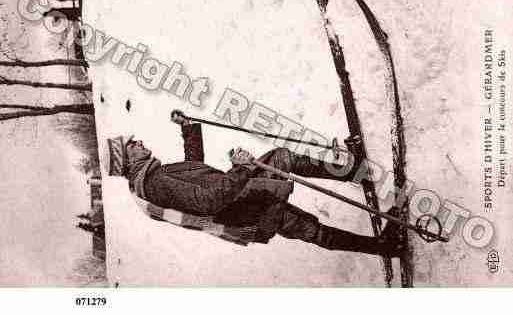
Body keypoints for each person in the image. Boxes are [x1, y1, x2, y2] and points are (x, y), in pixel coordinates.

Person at [107, 110, 402, 256]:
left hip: (242, 208)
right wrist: (242, 169)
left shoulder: (151, 177)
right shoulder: (155, 182)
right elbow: (208, 200)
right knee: (302, 217)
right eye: (132, 144)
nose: (139, 141)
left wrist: (189, 130)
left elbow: (197, 171)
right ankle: (354, 177)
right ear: (128, 160)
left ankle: (382, 243)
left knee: (304, 224)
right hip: (244, 208)